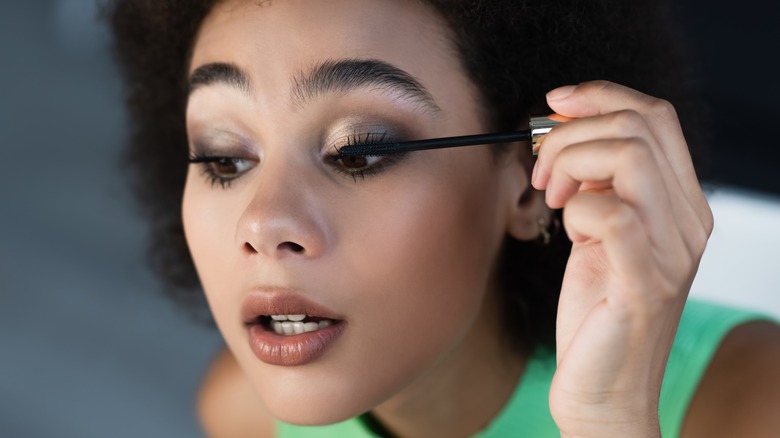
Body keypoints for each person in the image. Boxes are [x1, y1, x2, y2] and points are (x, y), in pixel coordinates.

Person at [107, 0, 780, 436]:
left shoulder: (752, 405)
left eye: (360, 152)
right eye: (224, 159)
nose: (263, 221)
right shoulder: (241, 414)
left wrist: (608, 420)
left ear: (528, 184)